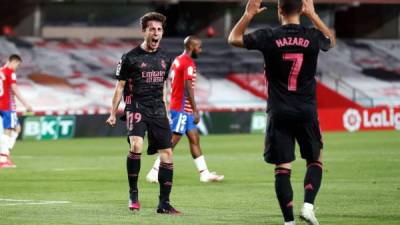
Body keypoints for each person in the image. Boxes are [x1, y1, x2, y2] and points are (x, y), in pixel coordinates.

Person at [228, 0, 336, 224]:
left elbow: (233, 39)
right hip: (306, 109)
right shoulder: (312, 36)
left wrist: (248, 15)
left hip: (279, 110)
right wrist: (314, 15)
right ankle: (308, 206)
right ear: (301, 9)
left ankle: (288, 222)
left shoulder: (269, 35)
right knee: (315, 158)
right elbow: (331, 42)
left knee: (282, 166)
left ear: (279, 10)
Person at [106, 12, 181, 214]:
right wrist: (113, 113)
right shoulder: (130, 58)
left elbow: (165, 87)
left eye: (159, 29)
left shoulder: (166, 57)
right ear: (144, 31)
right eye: (152, 29)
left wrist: (166, 112)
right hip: (136, 106)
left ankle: (164, 204)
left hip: (157, 109)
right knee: (136, 144)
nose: (156, 33)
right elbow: (119, 87)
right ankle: (133, 192)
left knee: (167, 153)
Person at [146, 36, 224, 183]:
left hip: (180, 105)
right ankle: (154, 172)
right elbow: (188, 87)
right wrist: (195, 109)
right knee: (172, 142)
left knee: (195, 139)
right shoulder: (188, 63)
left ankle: (204, 173)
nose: (200, 50)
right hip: (182, 107)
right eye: (198, 47)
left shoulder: (177, 60)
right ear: (191, 47)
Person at [0, 54, 32, 169]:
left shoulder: (1, 71)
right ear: (12, 62)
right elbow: (15, 89)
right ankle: (3, 159)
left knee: (17, 128)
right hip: (8, 105)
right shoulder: (10, 73)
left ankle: (5, 155)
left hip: (1, 104)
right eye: (17, 65)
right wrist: (26, 103)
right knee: (8, 130)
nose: (16, 67)